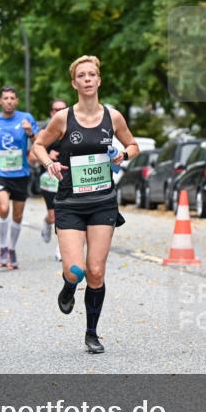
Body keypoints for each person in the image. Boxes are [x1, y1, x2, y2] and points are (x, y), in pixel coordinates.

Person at [31, 56, 138, 354]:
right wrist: (48, 164)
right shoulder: (63, 118)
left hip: (103, 202)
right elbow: (39, 145)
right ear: (74, 83)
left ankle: (92, 333)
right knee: (76, 270)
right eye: (82, 75)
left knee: (96, 270)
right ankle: (68, 286)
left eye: (93, 74)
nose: (88, 79)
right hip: (69, 202)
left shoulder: (113, 117)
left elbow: (133, 145)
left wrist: (123, 156)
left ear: (99, 80)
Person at [0, 86, 39, 270]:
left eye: (12, 98)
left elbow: (39, 143)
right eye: (6, 98)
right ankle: (3, 247)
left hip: (20, 173)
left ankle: (11, 249)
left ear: (16, 101)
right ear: (0, 101)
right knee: (3, 207)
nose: (9, 101)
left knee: (17, 215)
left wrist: (30, 133)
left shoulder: (26, 118)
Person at [38, 99, 68, 261]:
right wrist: (47, 158)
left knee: (63, 213)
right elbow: (33, 155)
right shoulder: (46, 132)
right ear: (51, 113)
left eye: (62, 109)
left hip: (68, 178)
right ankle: (46, 222)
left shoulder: (73, 128)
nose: (59, 112)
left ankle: (61, 248)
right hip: (49, 180)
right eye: (56, 109)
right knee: (53, 216)